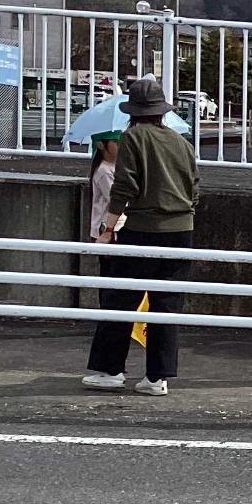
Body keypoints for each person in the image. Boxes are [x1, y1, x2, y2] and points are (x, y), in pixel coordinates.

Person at [82, 75, 198, 398]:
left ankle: (111, 370)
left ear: (133, 112)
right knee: (167, 305)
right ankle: (157, 378)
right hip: (182, 230)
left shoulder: (132, 137)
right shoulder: (181, 142)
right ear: (162, 112)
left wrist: (107, 229)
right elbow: (195, 187)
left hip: (143, 229)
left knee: (120, 299)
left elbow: (124, 187)